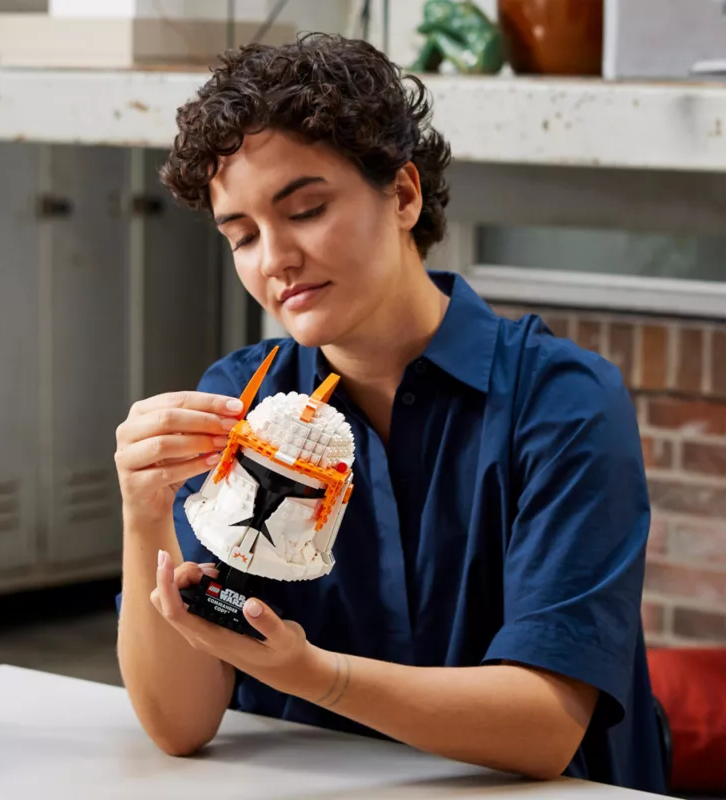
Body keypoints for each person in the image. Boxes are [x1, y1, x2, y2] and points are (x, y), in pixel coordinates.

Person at [114, 34, 665, 793]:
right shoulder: (242, 396)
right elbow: (179, 725)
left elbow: (544, 726)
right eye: (241, 235)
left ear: (403, 195)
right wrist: (142, 512)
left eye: (306, 210)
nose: (273, 260)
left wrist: (313, 674)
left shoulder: (562, 402)